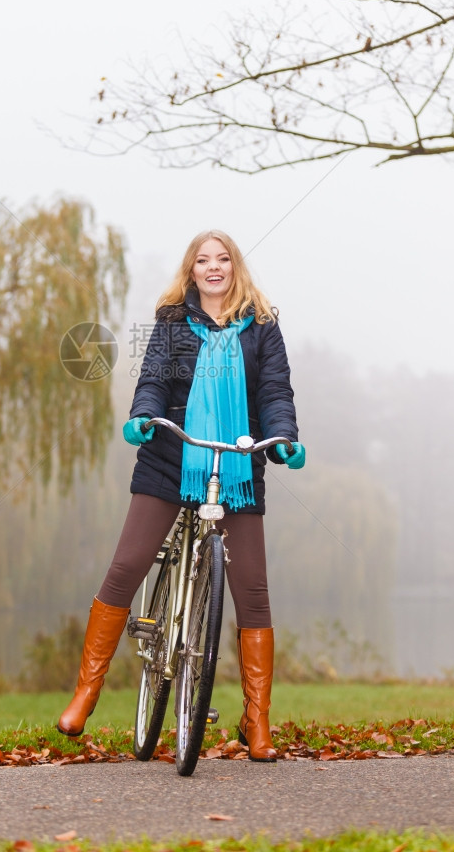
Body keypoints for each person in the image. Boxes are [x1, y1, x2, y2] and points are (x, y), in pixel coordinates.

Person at [57, 230, 305, 762]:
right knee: (126, 567)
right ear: (191, 271)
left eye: (222, 259)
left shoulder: (264, 328)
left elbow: (275, 392)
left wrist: (284, 438)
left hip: (237, 467)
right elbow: (152, 381)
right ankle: (87, 692)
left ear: (235, 267)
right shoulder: (170, 322)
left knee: (252, 589)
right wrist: (143, 418)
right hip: (171, 458)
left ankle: (256, 722)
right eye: (202, 261)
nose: (213, 268)